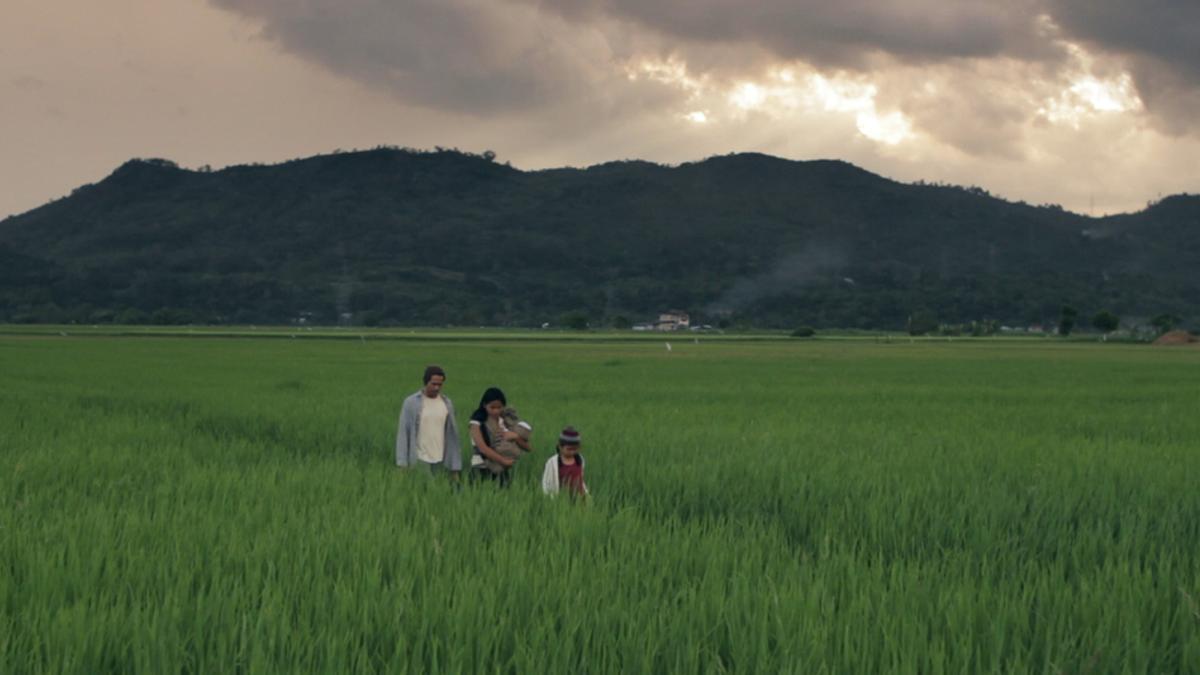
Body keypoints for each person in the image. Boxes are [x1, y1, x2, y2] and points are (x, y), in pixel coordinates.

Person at [395, 365, 462, 481]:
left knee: (439, 493)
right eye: (433, 384)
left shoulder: (447, 403)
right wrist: (402, 464)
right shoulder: (411, 403)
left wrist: (454, 467)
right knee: (426, 490)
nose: (436, 388)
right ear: (426, 382)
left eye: (439, 385)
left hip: (441, 458)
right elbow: (403, 433)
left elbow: (452, 436)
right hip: (420, 458)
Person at [468, 387, 529, 487]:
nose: (496, 411)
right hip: (481, 468)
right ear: (484, 405)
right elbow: (483, 448)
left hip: (501, 469)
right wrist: (503, 461)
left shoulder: (506, 421)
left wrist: (515, 436)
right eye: (492, 408)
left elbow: (527, 447)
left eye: (499, 407)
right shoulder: (476, 423)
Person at [541, 426, 589, 499]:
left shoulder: (579, 459)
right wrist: (549, 498)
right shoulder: (552, 462)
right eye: (569, 449)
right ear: (560, 447)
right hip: (562, 497)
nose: (572, 452)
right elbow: (546, 482)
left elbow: (581, 480)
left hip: (579, 497)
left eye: (575, 449)